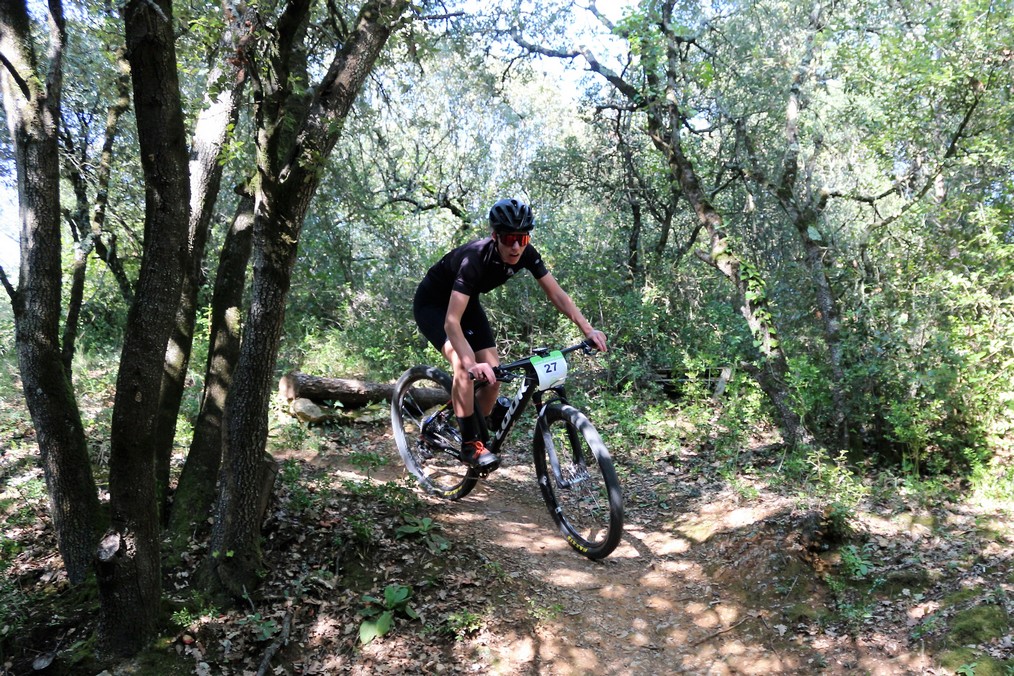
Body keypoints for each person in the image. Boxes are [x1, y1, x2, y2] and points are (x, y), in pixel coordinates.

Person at [413, 197, 608, 473]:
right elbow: (452, 322)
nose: (516, 246)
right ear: (495, 236)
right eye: (509, 238)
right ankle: (470, 445)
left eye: (522, 238)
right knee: (463, 367)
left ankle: (472, 425)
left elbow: (557, 295)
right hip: (433, 305)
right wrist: (470, 363)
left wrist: (588, 330)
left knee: (494, 377)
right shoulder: (474, 260)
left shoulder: (526, 253)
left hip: (467, 302)